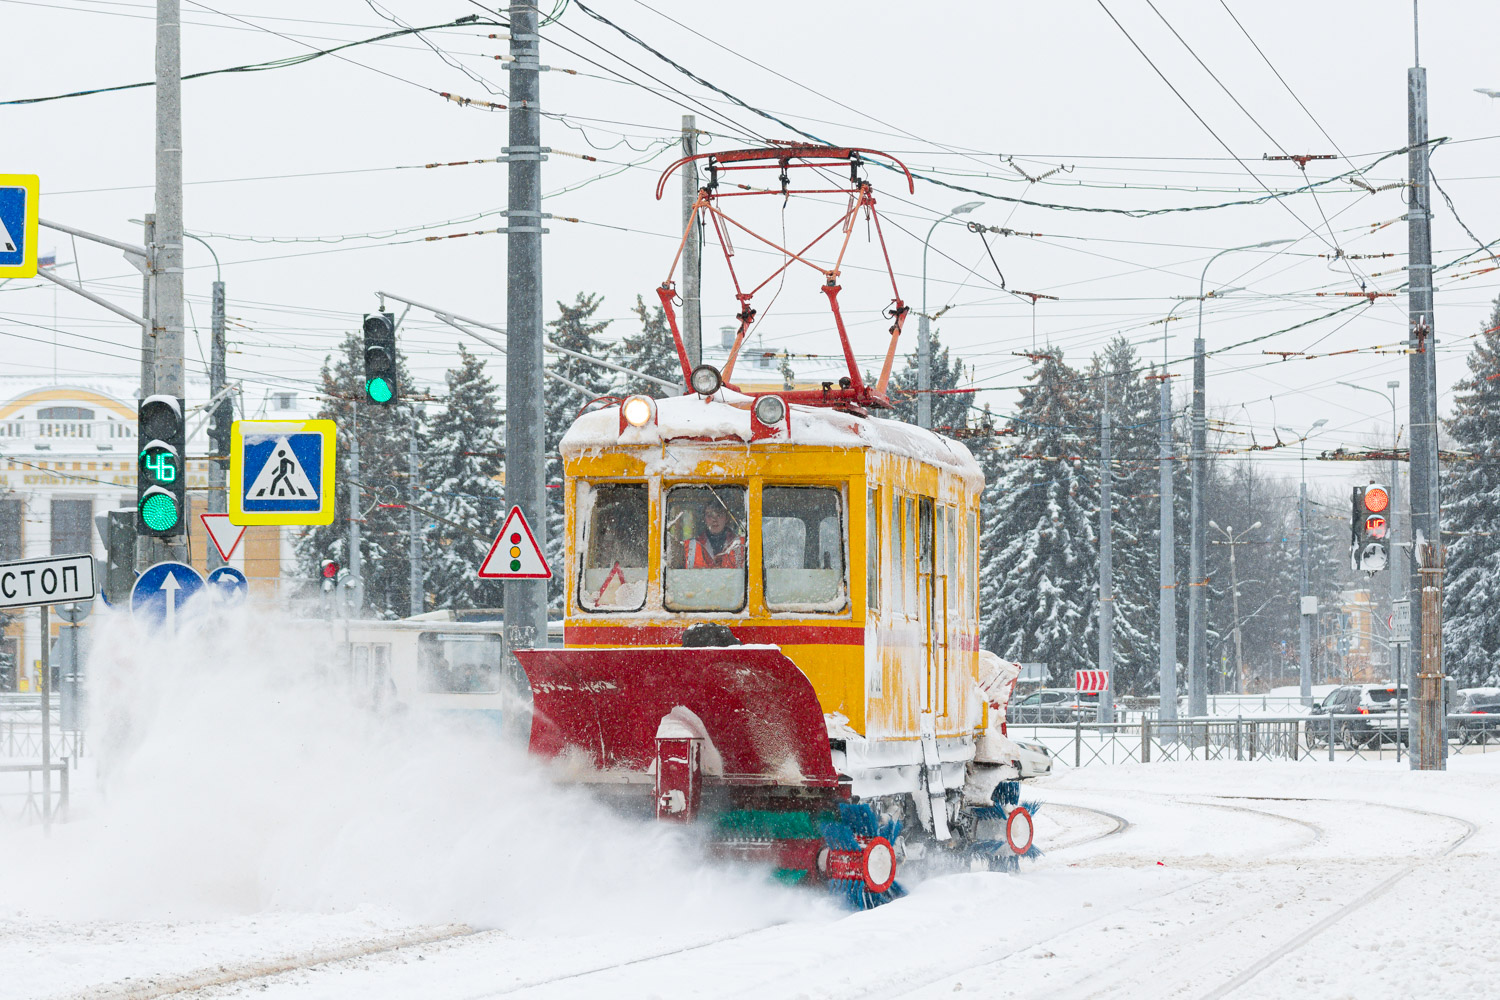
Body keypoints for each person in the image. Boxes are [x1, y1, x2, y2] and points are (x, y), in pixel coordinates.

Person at [683, 498, 744, 568]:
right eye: (709, 515)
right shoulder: (691, 545)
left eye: (719, 515)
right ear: (704, 519)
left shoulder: (740, 544)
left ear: (726, 518)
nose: (714, 520)